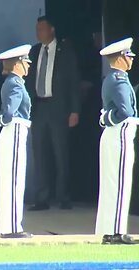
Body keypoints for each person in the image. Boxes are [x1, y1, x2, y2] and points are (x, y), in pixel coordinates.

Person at [26, 16, 80, 211]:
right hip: (39, 107)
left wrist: (74, 110)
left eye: (41, 29)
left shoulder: (65, 51)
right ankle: (42, 198)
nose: (38, 33)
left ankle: (63, 196)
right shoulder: (34, 51)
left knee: (60, 153)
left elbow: (73, 82)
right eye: (37, 29)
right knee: (40, 153)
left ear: (52, 30)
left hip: (58, 108)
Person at [95, 38, 138, 245]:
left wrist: (105, 117)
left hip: (115, 133)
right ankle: (116, 231)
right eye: (128, 56)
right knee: (119, 182)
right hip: (119, 132)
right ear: (121, 58)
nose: (131, 60)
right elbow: (126, 111)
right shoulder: (118, 79)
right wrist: (106, 118)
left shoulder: (114, 78)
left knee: (113, 183)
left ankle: (108, 229)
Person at [0, 44, 33, 239]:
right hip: (16, 129)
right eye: (25, 62)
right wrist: (5, 118)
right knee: (14, 180)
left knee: (11, 179)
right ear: (17, 64)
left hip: (13, 130)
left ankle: (10, 225)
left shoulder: (12, 82)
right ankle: (12, 227)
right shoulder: (15, 83)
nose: (28, 65)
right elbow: (11, 110)